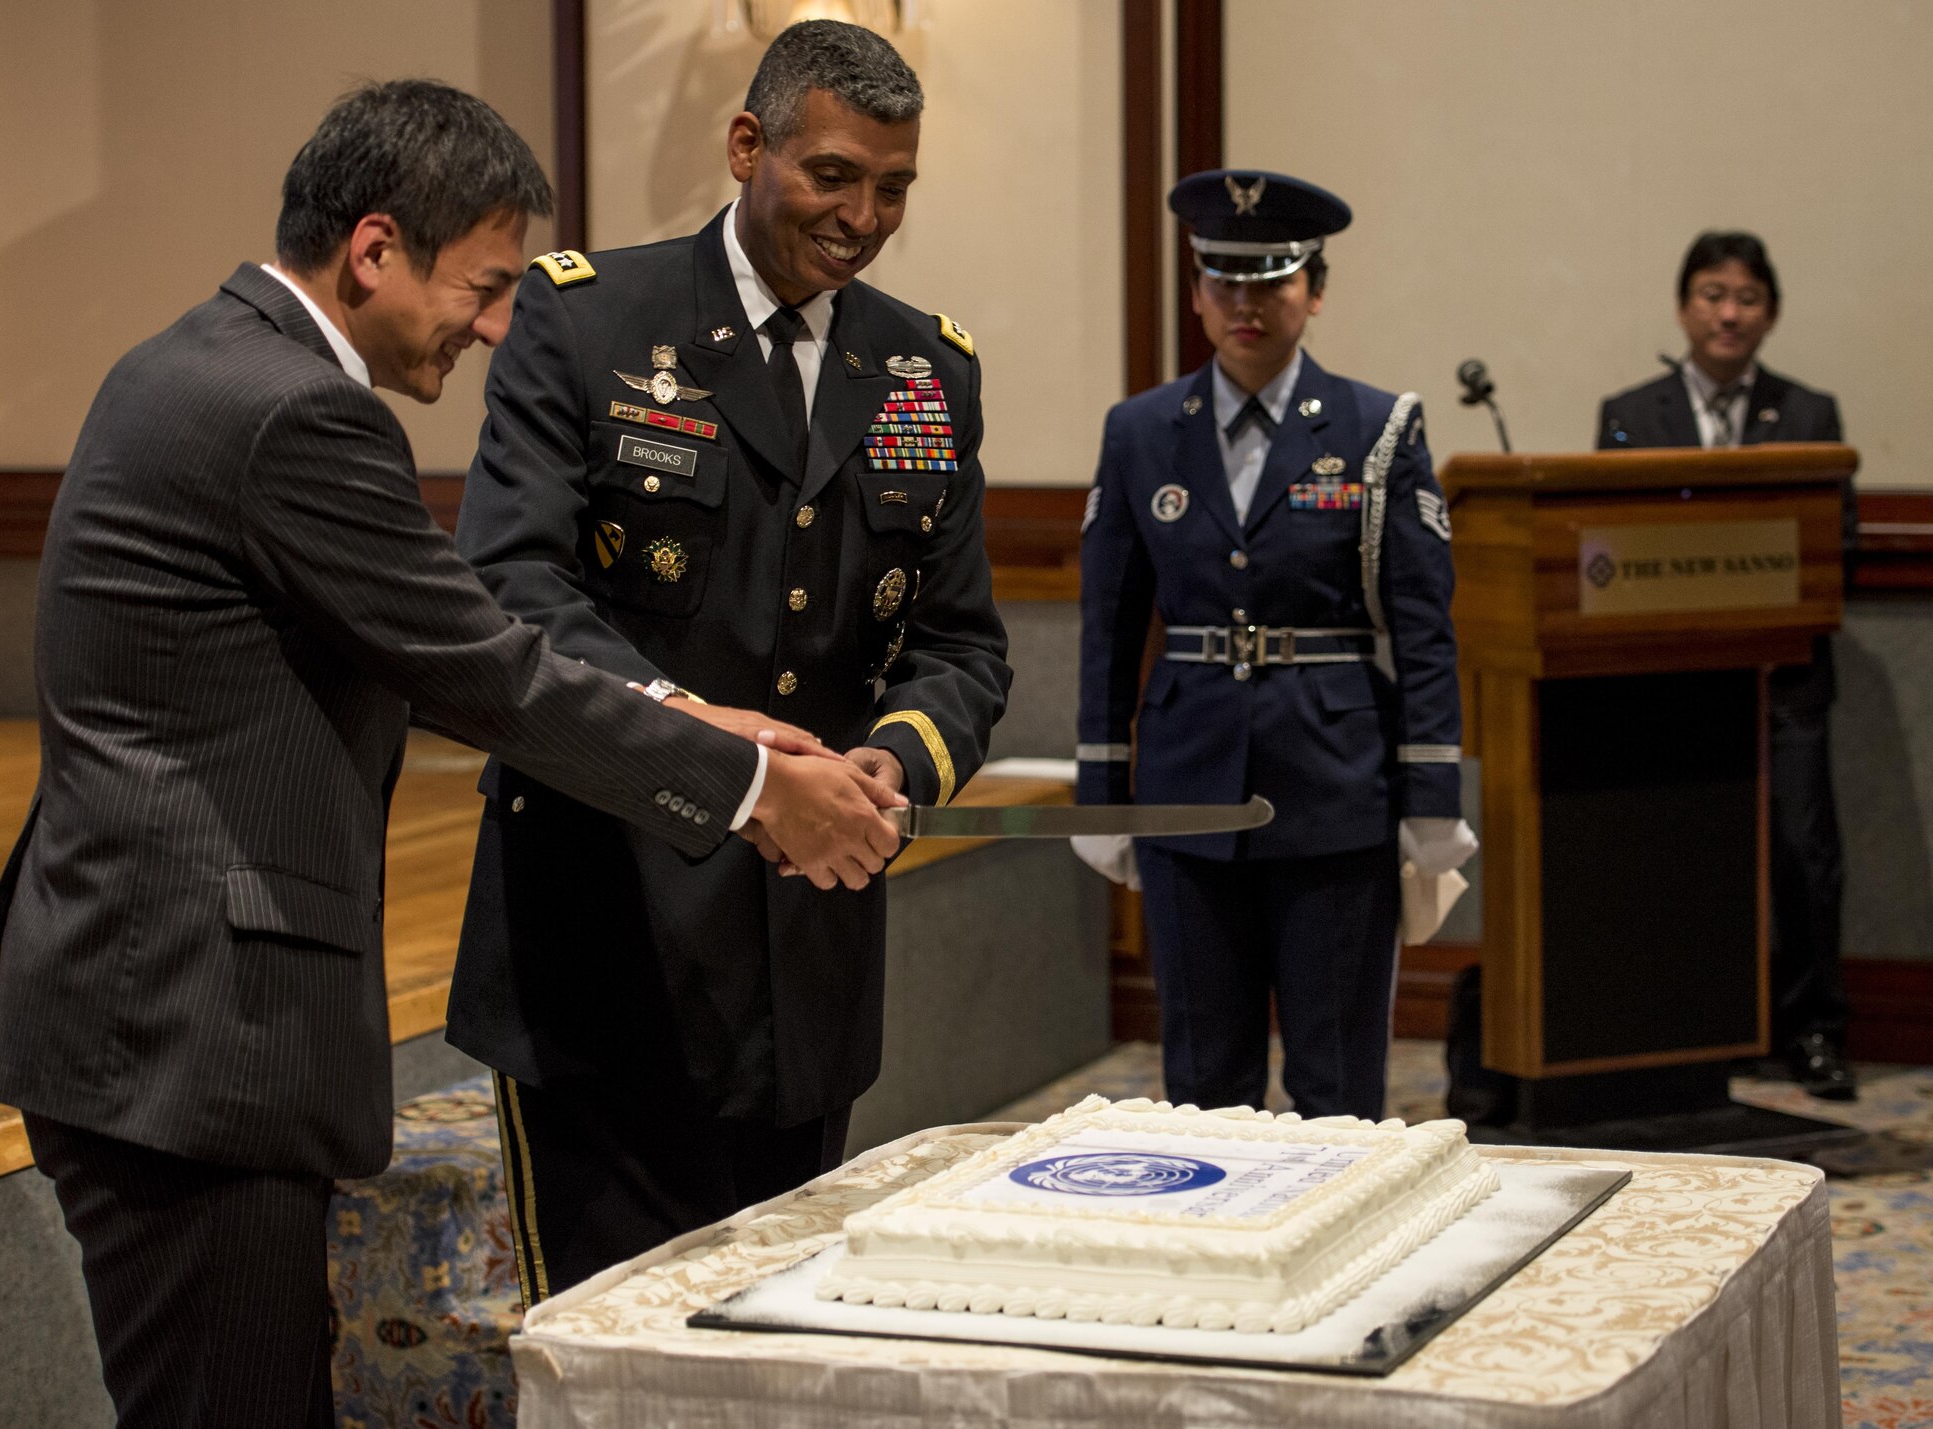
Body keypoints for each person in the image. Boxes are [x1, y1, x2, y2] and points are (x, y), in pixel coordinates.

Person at [0, 80, 903, 1429]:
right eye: (481, 285)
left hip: (136, 1009)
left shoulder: (198, 360)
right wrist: (759, 791)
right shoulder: (295, 413)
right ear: (373, 249)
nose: (495, 325)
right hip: (192, 1038)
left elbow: (445, 651)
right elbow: (489, 672)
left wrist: (704, 722)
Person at [445, 20, 1010, 1300]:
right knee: (612, 1343)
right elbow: (510, 587)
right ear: (747, 146)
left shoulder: (926, 367)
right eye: (832, 175)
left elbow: (959, 642)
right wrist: (718, 756)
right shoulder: (590, 319)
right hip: (604, 940)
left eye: (893, 188)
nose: (861, 216)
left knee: (778, 1338)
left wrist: (891, 765)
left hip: (806, 959)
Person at [1074, 170, 1474, 1121]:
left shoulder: (1379, 428)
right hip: (1184, 785)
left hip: (1336, 788)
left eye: (1272, 281)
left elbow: (1424, 629)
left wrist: (1431, 794)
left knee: (1338, 1084)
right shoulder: (1138, 432)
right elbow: (1110, 625)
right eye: (1224, 281)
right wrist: (1102, 787)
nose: (1245, 305)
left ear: (1316, 290)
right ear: (1198, 290)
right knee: (1205, 1085)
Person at [1597, 230, 1855, 1100]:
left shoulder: (1811, 413)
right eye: (1711, 294)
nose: (1728, 312)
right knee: (1676, 851)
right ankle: (1692, 1026)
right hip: (1672, 684)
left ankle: (1815, 1030)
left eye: (1746, 297)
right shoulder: (1629, 413)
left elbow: (1838, 541)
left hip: (1783, 681)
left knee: (1803, 849)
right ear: (1683, 307)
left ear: (1770, 313)